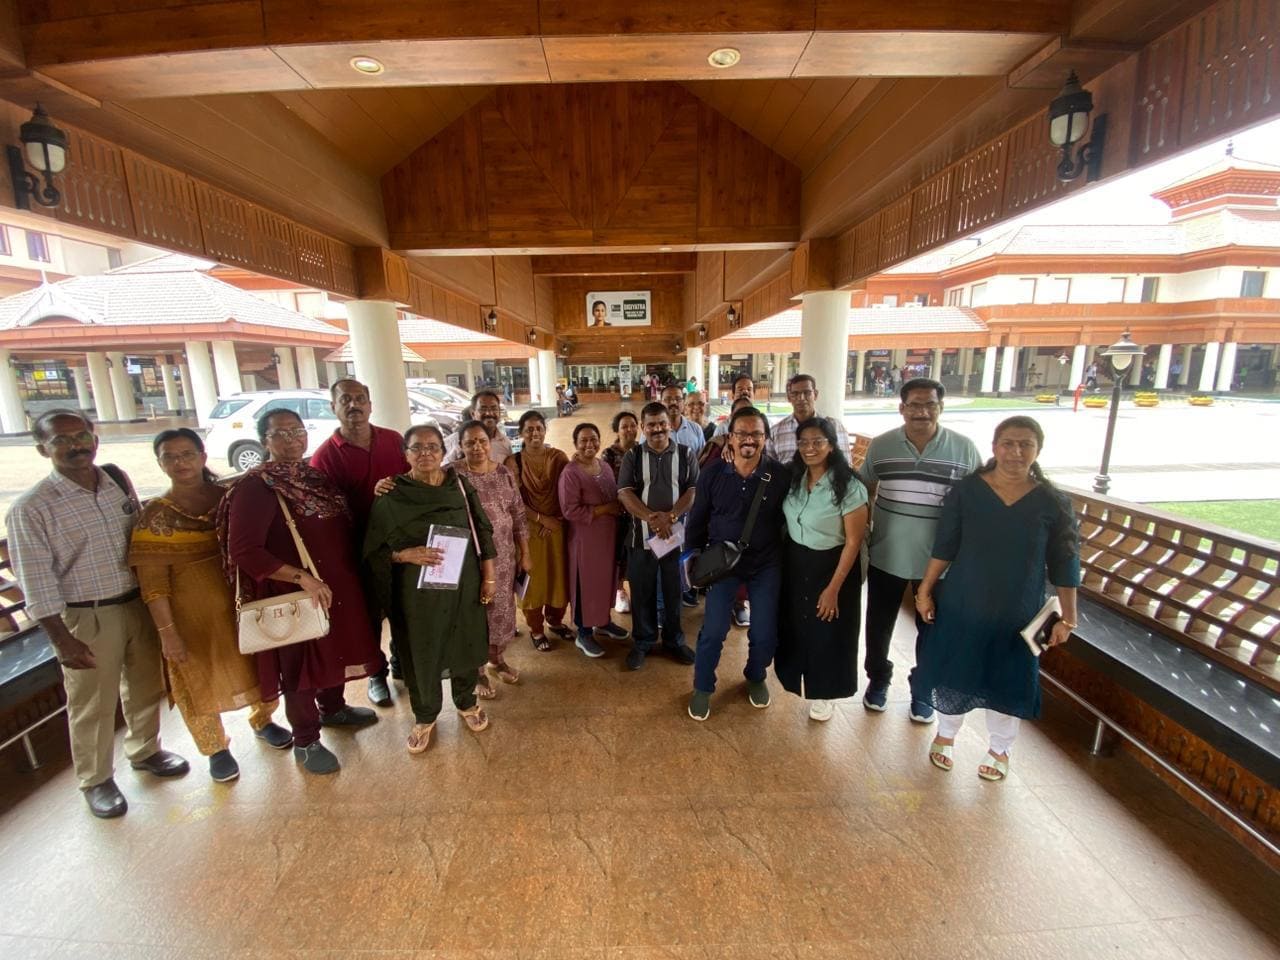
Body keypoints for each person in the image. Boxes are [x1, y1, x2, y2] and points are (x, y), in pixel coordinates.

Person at [7, 409, 188, 818]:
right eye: (61, 440)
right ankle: (95, 779)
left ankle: (146, 750)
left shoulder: (114, 482)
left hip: (136, 602)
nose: (75, 446)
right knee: (93, 701)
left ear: (95, 438)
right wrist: (61, 638)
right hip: (86, 616)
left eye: (81, 436)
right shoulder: (32, 508)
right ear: (42, 449)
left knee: (145, 684)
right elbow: (35, 580)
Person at [915, 416, 1080, 781]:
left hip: (1019, 608)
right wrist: (925, 590)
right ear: (994, 447)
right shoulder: (967, 491)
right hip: (964, 600)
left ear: (1038, 450)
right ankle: (946, 734)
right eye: (1008, 443)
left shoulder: (1053, 502)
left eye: (1025, 444)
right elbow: (945, 546)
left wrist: (1069, 618)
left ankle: (1000, 749)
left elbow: (1065, 562)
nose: (1015, 452)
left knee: (1010, 678)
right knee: (956, 667)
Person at [221, 408, 383, 776]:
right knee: (302, 666)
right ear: (264, 440)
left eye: (297, 431)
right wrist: (301, 578)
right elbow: (244, 550)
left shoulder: (313, 476)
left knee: (334, 650)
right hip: (296, 593)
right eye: (280, 433)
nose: (292, 439)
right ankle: (306, 741)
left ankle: (333, 709)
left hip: (337, 584)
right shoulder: (257, 487)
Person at [129, 429, 290, 783]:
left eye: (187, 454)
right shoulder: (155, 517)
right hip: (191, 621)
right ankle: (215, 748)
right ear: (160, 464)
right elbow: (153, 586)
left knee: (258, 664)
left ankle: (264, 720)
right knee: (197, 680)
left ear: (203, 457)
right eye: (170, 457)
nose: (180, 463)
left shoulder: (229, 500)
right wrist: (168, 633)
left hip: (242, 607)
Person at [364, 424, 497, 753]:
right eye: (417, 448)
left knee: (465, 639)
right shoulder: (391, 495)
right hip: (417, 593)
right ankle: (425, 715)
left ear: (443, 451)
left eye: (433, 447)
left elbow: (482, 530)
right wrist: (403, 555)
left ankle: (467, 702)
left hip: (464, 583)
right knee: (422, 648)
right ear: (405, 454)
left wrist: (489, 577)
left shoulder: (459, 485)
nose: (425, 453)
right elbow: (372, 550)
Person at [859, 378, 982, 722]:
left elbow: (978, 501)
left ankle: (923, 688)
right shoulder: (882, 446)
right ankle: (878, 679)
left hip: (939, 563)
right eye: (914, 404)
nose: (922, 411)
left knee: (933, 630)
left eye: (930, 404)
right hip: (887, 554)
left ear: (941, 407)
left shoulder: (964, 449)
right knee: (878, 624)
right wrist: (865, 532)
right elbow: (864, 488)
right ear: (902, 408)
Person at [308, 377, 406, 708]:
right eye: (345, 400)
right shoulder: (325, 456)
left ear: (370, 404)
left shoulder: (393, 440)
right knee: (369, 616)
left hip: (401, 544)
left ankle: (401, 661)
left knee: (403, 606)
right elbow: (323, 513)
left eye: (360, 399)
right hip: (358, 552)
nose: (354, 405)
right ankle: (376, 673)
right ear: (333, 407)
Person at [685, 407, 787, 721]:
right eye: (742, 433)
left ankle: (756, 675)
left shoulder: (779, 475)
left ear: (765, 438)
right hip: (723, 562)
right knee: (714, 630)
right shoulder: (713, 474)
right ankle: (703, 686)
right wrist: (691, 559)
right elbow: (697, 520)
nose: (748, 440)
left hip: (766, 564)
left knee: (765, 631)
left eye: (756, 434)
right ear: (730, 438)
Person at [776, 418, 869, 721]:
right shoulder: (795, 477)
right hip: (796, 560)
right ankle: (795, 677)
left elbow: (853, 542)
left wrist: (833, 588)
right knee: (797, 624)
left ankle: (826, 691)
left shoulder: (849, 486)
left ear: (831, 445)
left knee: (828, 629)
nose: (810, 448)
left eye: (818, 442)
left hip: (832, 565)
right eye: (803, 442)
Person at [616, 402, 698, 670]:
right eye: (651, 424)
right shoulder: (633, 456)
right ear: (643, 427)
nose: (657, 429)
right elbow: (625, 493)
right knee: (642, 592)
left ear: (669, 424)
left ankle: (674, 641)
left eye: (662, 423)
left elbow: (692, 490)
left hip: (673, 537)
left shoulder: (686, 454)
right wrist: (652, 518)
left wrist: (671, 517)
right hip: (640, 539)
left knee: (674, 591)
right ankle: (643, 641)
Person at [452, 420, 529, 696]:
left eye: (482, 441)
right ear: (460, 445)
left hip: (504, 558)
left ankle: (497, 660)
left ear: (490, 443)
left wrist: (525, 553)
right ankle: (477, 671)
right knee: (475, 614)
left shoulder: (503, 473)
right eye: (470, 442)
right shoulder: (451, 474)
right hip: (469, 561)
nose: (477, 447)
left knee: (501, 612)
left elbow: (518, 513)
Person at [558, 422, 629, 657]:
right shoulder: (570, 473)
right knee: (585, 584)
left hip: (608, 537)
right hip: (585, 541)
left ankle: (603, 621)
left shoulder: (604, 466)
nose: (589, 444)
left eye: (593, 439)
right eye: (584, 440)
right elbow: (570, 510)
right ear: (575, 444)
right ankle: (584, 632)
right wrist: (605, 509)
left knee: (605, 582)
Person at [508, 410, 573, 651]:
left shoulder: (558, 457)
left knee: (558, 578)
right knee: (533, 583)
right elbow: (513, 501)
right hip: (528, 531)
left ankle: (555, 621)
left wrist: (557, 519)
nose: (535, 433)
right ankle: (536, 629)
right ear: (521, 433)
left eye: (539, 428)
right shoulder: (513, 462)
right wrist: (541, 519)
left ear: (545, 431)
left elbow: (570, 491)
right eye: (529, 429)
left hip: (556, 527)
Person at [603, 411, 640, 614]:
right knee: (619, 554)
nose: (629, 430)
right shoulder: (609, 454)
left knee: (637, 555)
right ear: (617, 430)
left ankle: (639, 590)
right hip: (618, 513)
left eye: (633, 425)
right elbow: (606, 483)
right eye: (624, 426)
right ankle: (619, 591)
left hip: (639, 512)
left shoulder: (643, 450)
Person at [769, 373, 851, 462]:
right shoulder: (776, 431)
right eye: (795, 394)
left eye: (807, 393)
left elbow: (845, 463)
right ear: (789, 398)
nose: (801, 398)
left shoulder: (834, 426)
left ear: (815, 394)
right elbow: (769, 466)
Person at [444, 389, 513, 464]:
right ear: (473, 414)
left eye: (494, 409)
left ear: (499, 412)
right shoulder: (454, 441)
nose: (489, 413)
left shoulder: (505, 443)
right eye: (483, 409)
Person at [661, 383, 706, 456]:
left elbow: (703, 458)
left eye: (678, 399)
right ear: (661, 403)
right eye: (668, 399)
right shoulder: (652, 432)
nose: (673, 402)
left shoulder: (696, 429)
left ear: (683, 402)